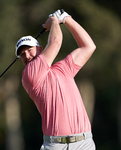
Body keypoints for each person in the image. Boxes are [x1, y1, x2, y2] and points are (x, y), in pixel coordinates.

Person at [15, 10, 96, 150]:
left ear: (40, 49)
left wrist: (67, 19)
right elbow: (56, 41)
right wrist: (54, 20)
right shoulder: (29, 74)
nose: (27, 55)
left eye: (29, 50)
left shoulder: (63, 68)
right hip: (55, 145)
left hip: (84, 142)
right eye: (22, 54)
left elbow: (88, 46)